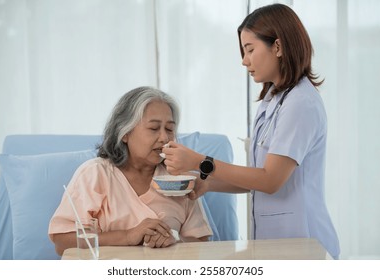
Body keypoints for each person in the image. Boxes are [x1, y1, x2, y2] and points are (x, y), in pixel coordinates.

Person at [162, 4, 340, 259]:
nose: (244, 61)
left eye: (250, 49)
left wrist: (201, 162)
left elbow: (270, 180)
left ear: (277, 47)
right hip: (276, 245)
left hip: (304, 243)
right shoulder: (272, 99)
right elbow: (257, 178)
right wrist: (208, 182)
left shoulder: (301, 103)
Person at [48, 86, 212, 256]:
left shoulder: (179, 179)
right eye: (154, 128)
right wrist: (127, 236)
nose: (164, 138)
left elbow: (201, 242)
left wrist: (175, 241)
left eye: (170, 129)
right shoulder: (95, 174)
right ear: (124, 133)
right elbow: (62, 242)